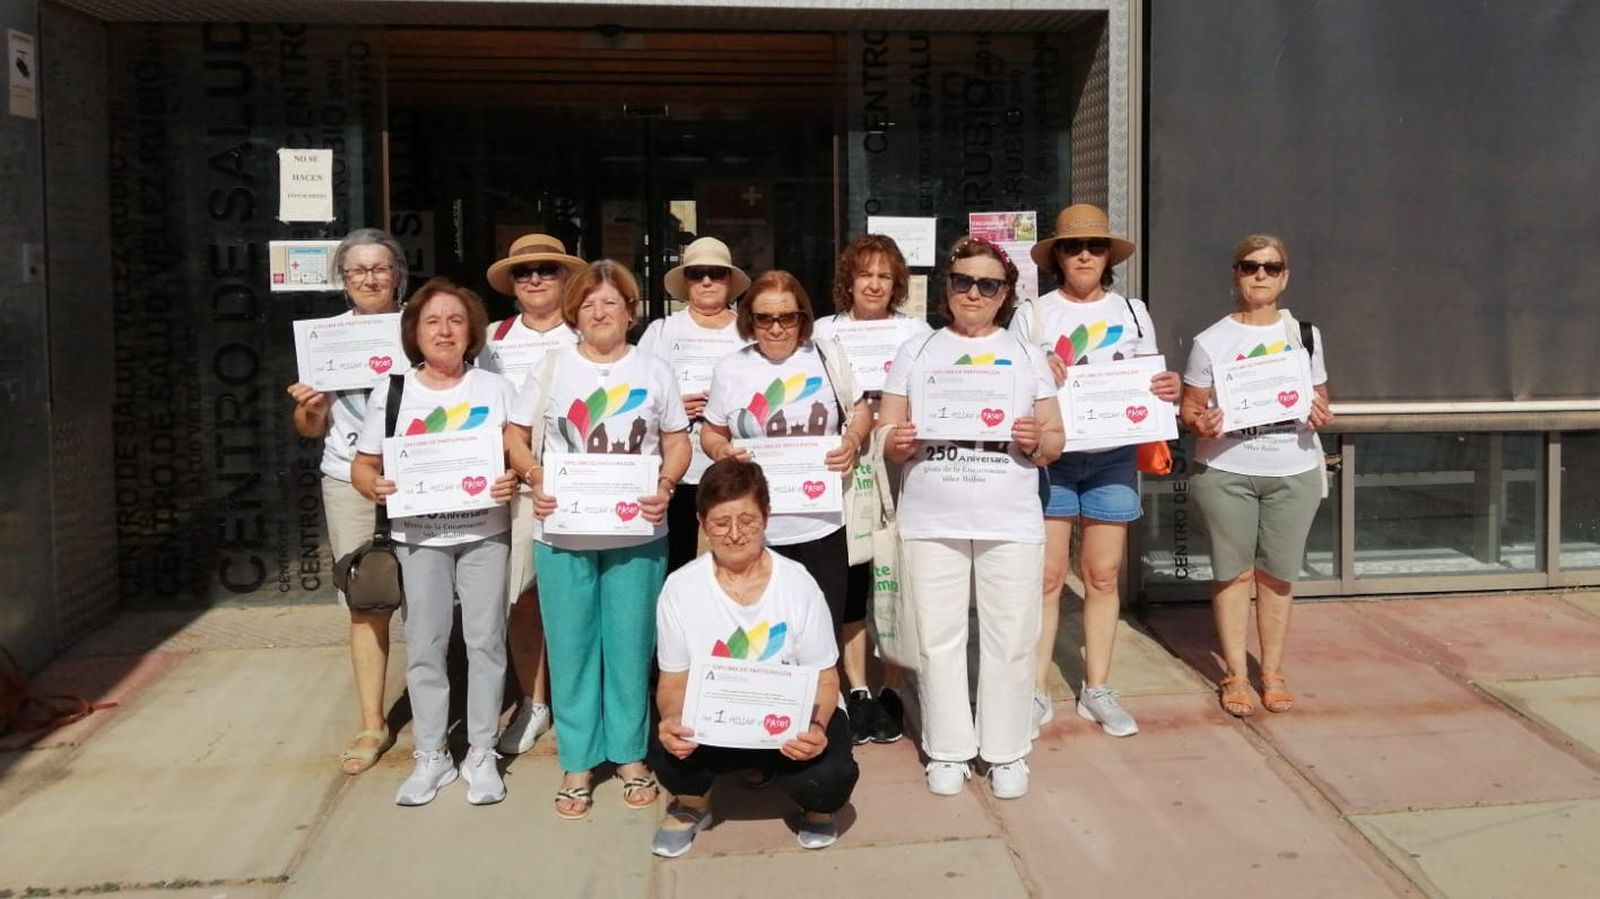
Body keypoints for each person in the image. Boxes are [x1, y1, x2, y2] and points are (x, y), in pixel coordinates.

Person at [504, 260, 691, 819]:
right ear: (574, 314)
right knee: (572, 647)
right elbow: (515, 435)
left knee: (632, 645)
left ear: (631, 312)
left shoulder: (655, 370)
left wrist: (666, 484)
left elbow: (676, 441)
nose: (599, 312)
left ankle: (630, 755)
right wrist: (534, 475)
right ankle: (579, 761)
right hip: (563, 532)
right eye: (588, 304)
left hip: (637, 530)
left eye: (611, 303)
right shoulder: (552, 367)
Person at [879, 236, 1064, 799]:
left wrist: (1036, 440)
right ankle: (948, 748)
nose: (974, 293)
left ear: (1005, 294)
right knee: (938, 637)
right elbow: (887, 432)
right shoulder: (918, 350)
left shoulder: (1026, 354)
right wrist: (897, 440)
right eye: (963, 281)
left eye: (988, 284)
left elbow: (1055, 439)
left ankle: (1006, 750)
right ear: (948, 288)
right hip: (932, 517)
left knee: (1012, 636)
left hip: (1009, 517)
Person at [1013, 204, 1183, 739]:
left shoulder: (1133, 311)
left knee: (1103, 576)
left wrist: (1169, 388)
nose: (1084, 255)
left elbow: (1151, 379)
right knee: (1046, 579)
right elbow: (1011, 384)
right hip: (1053, 458)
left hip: (1113, 456)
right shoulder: (1032, 315)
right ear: (1057, 257)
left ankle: (1098, 687)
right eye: (1072, 247)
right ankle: (1036, 690)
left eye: (1094, 246)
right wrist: (1037, 371)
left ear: (1108, 255)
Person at [349, 278, 520, 806]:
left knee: (485, 641)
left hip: (484, 533)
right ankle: (432, 754)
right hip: (419, 537)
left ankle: (482, 751)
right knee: (425, 644)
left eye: (455, 320)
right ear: (414, 333)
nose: (444, 331)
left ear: (471, 332)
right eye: (432, 321)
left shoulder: (494, 388)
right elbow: (363, 465)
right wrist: (373, 486)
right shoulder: (393, 392)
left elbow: (518, 452)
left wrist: (512, 477)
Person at [648, 458, 859, 858]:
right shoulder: (680, 587)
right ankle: (692, 804)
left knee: (830, 776)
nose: (734, 534)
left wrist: (816, 728)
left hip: (787, 723)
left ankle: (815, 810)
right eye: (720, 523)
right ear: (701, 522)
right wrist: (673, 718)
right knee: (665, 741)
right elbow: (672, 682)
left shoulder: (798, 583)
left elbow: (825, 678)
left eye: (746, 520)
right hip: (719, 724)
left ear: (766, 516)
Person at [1179, 234, 1332, 717]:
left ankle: (1273, 671)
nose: (1260, 275)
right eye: (1250, 266)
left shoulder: (1305, 335)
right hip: (1227, 471)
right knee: (1233, 574)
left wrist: (1320, 413)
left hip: (1293, 469)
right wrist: (1200, 422)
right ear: (1235, 274)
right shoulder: (1211, 341)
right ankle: (1235, 675)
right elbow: (1190, 408)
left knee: (1278, 576)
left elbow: (1321, 398)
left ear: (1285, 277)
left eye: (1271, 267)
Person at [285, 228, 408, 776]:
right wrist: (310, 408)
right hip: (346, 478)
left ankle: (438, 713)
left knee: (432, 602)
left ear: (398, 274)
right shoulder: (325, 339)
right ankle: (371, 723)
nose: (369, 278)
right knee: (366, 599)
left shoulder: (425, 325)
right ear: (342, 279)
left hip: (420, 478)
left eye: (379, 268)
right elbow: (310, 428)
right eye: (357, 270)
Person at [701, 270, 872, 631]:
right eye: (764, 318)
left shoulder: (827, 357)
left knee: (821, 633)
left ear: (802, 318)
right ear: (750, 320)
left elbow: (860, 412)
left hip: (823, 525)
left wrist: (852, 442)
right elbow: (712, 432)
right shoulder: (730, 369)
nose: (776, 328)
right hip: (755, 531)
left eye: (787, 317)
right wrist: (721, 451)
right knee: (762, 635)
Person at [813, 234, 932, 745]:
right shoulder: (823, 332)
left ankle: (892, 688)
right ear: (849, 280)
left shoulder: (917, 332)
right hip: (848, 468)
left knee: (898, 574)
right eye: (866, 275)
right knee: (854, 574)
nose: (875, 285)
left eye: (885, 276)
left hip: (904, 468)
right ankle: (858, 688)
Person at [481, 234, 586, 757]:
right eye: (524, 272)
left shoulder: (587, 330)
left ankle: (578, 701)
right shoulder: (490, 340)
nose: (536, 279)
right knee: (523, 597)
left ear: (567, 278)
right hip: (516, 486)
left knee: (580, 595)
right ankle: (534, 700)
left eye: (547, 269)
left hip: (585, 484)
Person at [640, 236, 751, 573]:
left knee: (734, 560)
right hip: (676, 471)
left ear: (729, 280)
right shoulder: (661, 332)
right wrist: (671, 408)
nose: (706, 281)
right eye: (696, 273)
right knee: (677, 564)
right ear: (686, 281)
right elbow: (637, 392)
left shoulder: (749, 332)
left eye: (715, 273)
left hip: (733, 467)